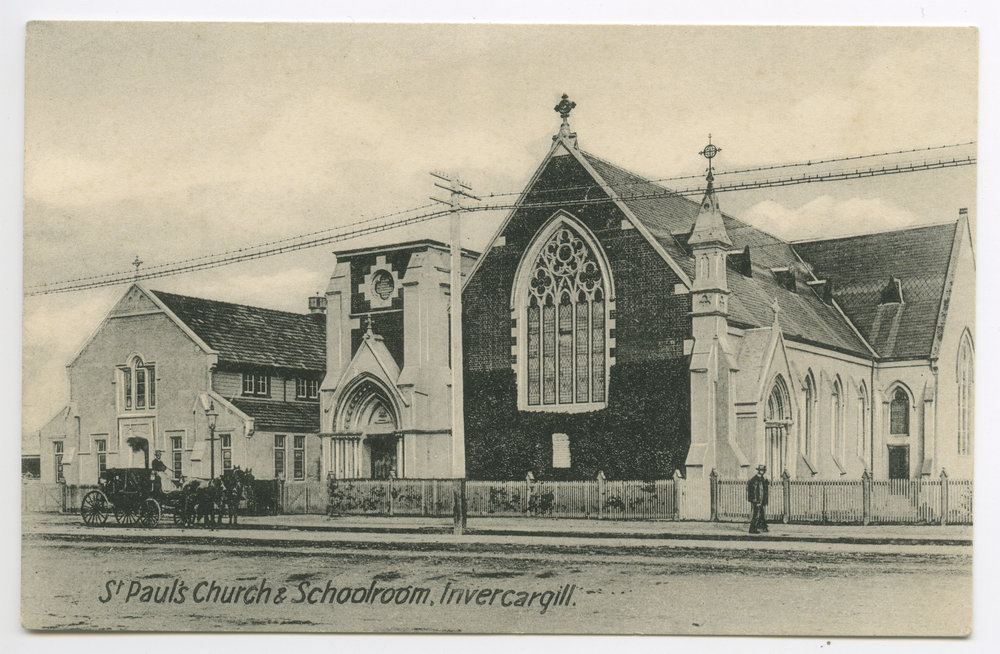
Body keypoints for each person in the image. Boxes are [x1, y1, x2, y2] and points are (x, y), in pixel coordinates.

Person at [747, 464, 769, 534]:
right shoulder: (755, 480)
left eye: (763, 470)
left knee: (761, 514)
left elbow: (764, 489)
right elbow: (753, 492)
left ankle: (763, 527)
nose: (763, 472)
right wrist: (756, 501)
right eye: (761, 470)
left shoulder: (762, 479)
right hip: (757, 501)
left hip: (761, 500)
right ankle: (752, 529)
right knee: (756, 515)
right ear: (759, 471)